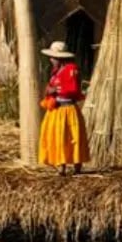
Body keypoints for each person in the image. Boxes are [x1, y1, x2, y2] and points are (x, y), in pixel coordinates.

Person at [38, 41, 89, 174]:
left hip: (68, 109)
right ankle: (61, 166)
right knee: (57, 136)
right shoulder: (56, 71)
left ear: (61, 58)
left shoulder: (71, 69)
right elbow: (51, 87)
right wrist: (49, 90)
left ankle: (77, 167)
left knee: (72, 137)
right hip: (56, 109)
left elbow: (73, 89)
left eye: (53, 57)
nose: (51, 59)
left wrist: (55, 89)